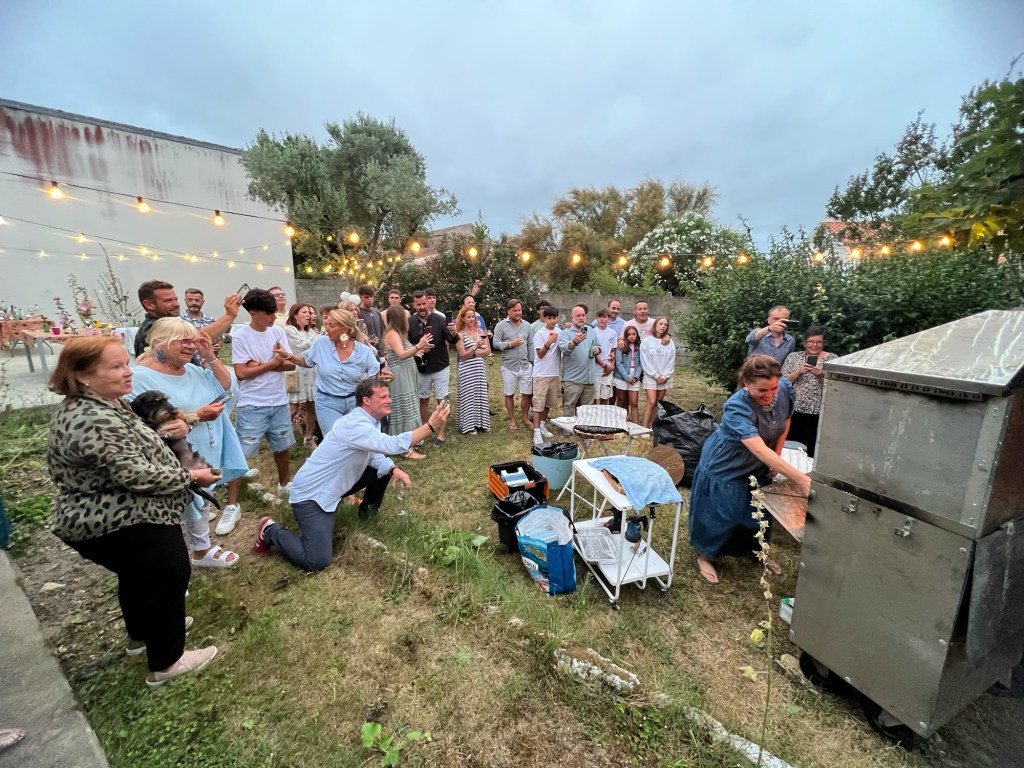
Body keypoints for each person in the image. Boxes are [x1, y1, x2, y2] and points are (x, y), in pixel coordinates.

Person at [46, 336, 219, 686]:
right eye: (116, 367)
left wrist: (178, 425)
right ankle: (167, 661)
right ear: (81, 375)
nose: (129, 373)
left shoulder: (102, 402)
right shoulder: (91, 418)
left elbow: (137, 440)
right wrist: (189, 475)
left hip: (110, 515)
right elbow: (134, 473)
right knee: (169, 574)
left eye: (127, 363)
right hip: (122, 518)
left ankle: (144, 633)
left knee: (138, 576)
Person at [252, 378, 451, 571]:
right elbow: (391, 445)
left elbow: (374, 453)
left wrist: (393, 469)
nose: (389, 400)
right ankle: (270, 530)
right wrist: (429, 427)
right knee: (317, 561)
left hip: (332, 487)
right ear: (366, 400)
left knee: (381, 471)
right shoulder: (355, 425)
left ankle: (366, 519)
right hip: (312, 496)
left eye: (388, 396)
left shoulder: (370, 421)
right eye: (383, 397)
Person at [131, 318, 248, 568]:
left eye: (193, 341)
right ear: (160, 343)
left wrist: (210, 357)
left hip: (203, 450)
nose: (190, 347)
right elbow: (141, 423)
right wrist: (195, 417)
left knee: (201, 499)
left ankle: (201, 548)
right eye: (183, 341)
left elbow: (228, 389)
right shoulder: (139, 377)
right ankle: (168, 565)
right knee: (169, 511)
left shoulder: (194, 370)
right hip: (169, 459)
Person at [688, 355, 811, 584]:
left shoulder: (783, 388)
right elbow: (757, 449)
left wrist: (777, 452)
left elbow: (786, 420)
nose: (770, 395)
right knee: (724, 512)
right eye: (762, 390)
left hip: (760, 460)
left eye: (773, 388)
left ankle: (756, 551)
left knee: (758, 510)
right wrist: (801, 478)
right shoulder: (736, 406)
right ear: (746, 384)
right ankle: (706, 555)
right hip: (726, 462)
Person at [224, 288, 296, 534]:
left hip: (278, 401)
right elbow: (241, 373)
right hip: (252, 404)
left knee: (282, 445)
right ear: (253, 312)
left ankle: (284, 483)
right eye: (269, 314)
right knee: (241, 453)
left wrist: (260, 364)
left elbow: (288, 363)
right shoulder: (242, 336)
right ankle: (232, 503)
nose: (274, 318)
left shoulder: (277, 331)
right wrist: (270, 364)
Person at [276, 307, 384, 434]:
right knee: (334, 440)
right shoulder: (321, 343)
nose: (326, 329)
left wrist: (381, 381)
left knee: (356, 439)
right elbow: (307, 360)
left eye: (331, 326)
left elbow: (375, 373)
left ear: (344, 328)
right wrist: (289, 356)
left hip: (354, 403)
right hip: (327, 403)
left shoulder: (363, 351)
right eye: (325, 324)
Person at [134, 280, 240, 357]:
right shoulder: (152, 329)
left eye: (176, 299)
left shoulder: (171, 322)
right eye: (168, 301)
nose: (176, 304)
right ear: (149, 305)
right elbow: (195, 337)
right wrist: (229, 316)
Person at [409, 290, 458, 447]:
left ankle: (441, 433)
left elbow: (451, 339)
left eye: (424, 303)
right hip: (421, 368)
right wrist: (417, 349)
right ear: (414, 305)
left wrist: (454, 332)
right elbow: (406, 344)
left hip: (440, 365)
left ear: (427, 302)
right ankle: (425, 428)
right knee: (423, 399)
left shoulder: (439, 319)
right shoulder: (409, 322)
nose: (422, 307)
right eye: (419, 305)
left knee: (441, 400)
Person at [383, 304, 432, 458]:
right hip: (400, 377)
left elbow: (405, 353)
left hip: (407, 374)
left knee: (410, 406)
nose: (408, 319)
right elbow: (402, 355)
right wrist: (419, 345)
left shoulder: (400, 333)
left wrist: (418, 352)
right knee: (403, 408)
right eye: (405, 317)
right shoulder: (392, 334)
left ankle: (411, 440)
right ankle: (404, 447)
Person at [780, 325, 832, 457]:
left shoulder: (832, 359)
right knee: (789, 445)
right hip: (793, 409)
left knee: (810, 447)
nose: (814, 345)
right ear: (805, 343)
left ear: (823, 343)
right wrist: (798, 372)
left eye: (818, 342)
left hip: (816, 411)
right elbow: (782, 381)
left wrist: (821, 375)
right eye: (811, 342)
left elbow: (835, 385)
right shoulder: (793, 357)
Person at [492, 298, 534, 430]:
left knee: (526, 394)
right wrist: (510, 344)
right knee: (509, 394)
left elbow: (531, 344)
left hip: (525, 365)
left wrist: (532, 362)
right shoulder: (501, 326)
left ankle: (525, 418)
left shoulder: (527, 325)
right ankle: (512, 419)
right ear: (508, 311)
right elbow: (495, 343)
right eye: (514, 310)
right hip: (509, 366)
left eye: (519, 310)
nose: (518, 312)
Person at [284, 303, 320, 448]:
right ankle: (281, 433)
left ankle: (309, 436)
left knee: (312, 406)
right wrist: (318, 339)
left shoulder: (311, 331)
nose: (308, 315)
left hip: (311, 373)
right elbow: (304, 346)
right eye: (304, 312)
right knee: (293, 407)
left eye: (310, 313)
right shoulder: (289, 330)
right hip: (296, 373)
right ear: (295, 315)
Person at [454, 306, 491, 434]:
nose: (471, 319)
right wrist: (475, 347)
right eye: (468, 317)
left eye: (473, 316)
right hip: (467, 371)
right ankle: (468, 426)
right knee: (469, 397)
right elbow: (463, 355)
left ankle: (481, 423)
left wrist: (473, 353)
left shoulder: (481, 331)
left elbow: (487, 350)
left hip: (480, 370)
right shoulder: (459, 334)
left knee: (480, 395)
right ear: (463, 318)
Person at [558, 305, 598, 418]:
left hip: (589, 378)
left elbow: (597, 345)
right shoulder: (565, 333)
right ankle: (568, 429)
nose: (581, 318)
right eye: (578, 316)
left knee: (588, 407)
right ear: (572, 318)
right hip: (573, 379)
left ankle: (585, 426)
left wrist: (597, 349)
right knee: (570, 405)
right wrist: (574, 342)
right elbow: (564, 349)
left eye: (583, 315)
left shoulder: (591, 330)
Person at [531, 305, 561, 445]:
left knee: (548, 402)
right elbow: (540, 354)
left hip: (554, 373)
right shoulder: (540, 334)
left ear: (557, 318)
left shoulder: (560, 332)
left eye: (554, 318)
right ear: (544, 319)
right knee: (538, 403)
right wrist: (548, 343)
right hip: (541, 374)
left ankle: (542, 424)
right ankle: (536, 431)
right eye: (549, 318)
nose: (552, 321)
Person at [640, 316, 676, 428]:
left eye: (665, 325)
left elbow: (671, 359)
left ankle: (652, 425)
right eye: (660, 324)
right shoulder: (646, 341)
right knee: (651, 401)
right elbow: (644, 360)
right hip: (651, 376)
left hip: (664, 377)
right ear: (655, 325)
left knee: (658, 402)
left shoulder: (670, 342)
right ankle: (644, 426)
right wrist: (655, 375)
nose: (663, 326)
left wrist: (664, 376)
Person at [613, 325, 643, 423]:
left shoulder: (639, 346)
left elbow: (641, 364)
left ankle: (636, 425)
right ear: (626, 336)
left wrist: (636, 376)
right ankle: (619, 422)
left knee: (634, 402)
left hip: (634, 375)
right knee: (621, 400)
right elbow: (618, 363)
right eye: (629, 334)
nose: (631, 336)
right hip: (622, 376)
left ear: (636, 335)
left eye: (633, 334)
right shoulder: (621, 346)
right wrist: (627, 377)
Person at [180, 288, 223, 355]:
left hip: (210, 363)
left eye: (197, 300)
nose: (193, 303)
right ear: (185, 301)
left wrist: (218, 346)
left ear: (203, 302)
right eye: (190, 300)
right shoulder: (179, 321)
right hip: (189, 362)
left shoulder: (211, 320)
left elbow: (220, 339)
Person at [592, 309, 618, 405]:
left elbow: (613, 350)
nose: (602, 319)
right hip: (596, 369)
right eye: (600, 317)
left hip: (608, 370)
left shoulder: (613, 333)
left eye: (604, 317)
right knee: (594, 397)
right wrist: (604, 365)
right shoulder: (592, 332)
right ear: (596, 318)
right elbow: (593, 354)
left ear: (608, 318)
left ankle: (603, 417)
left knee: (605, 396)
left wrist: (611, 366)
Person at [357, 284, 385, 356]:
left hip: (380, 353)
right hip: (367, 353)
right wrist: (368, 341)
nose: (370, 300)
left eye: (371, 297)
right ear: (360, 297)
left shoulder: (377, 312)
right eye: (366, 297)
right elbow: (358, 335)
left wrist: (384, 352)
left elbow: (382, 334)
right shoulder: (358, 313)